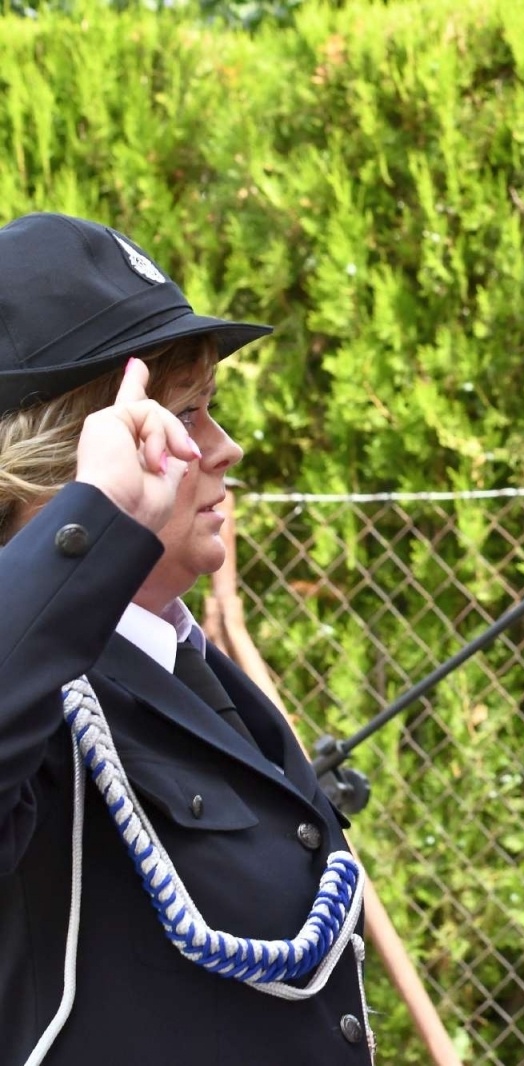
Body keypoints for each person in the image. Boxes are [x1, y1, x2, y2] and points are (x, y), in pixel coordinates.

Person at [0, 213, 371, 1065]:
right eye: (187, 415)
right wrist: (92, 519)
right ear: (69, 457)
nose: (226, 449)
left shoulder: (194, 673)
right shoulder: (38, 684)